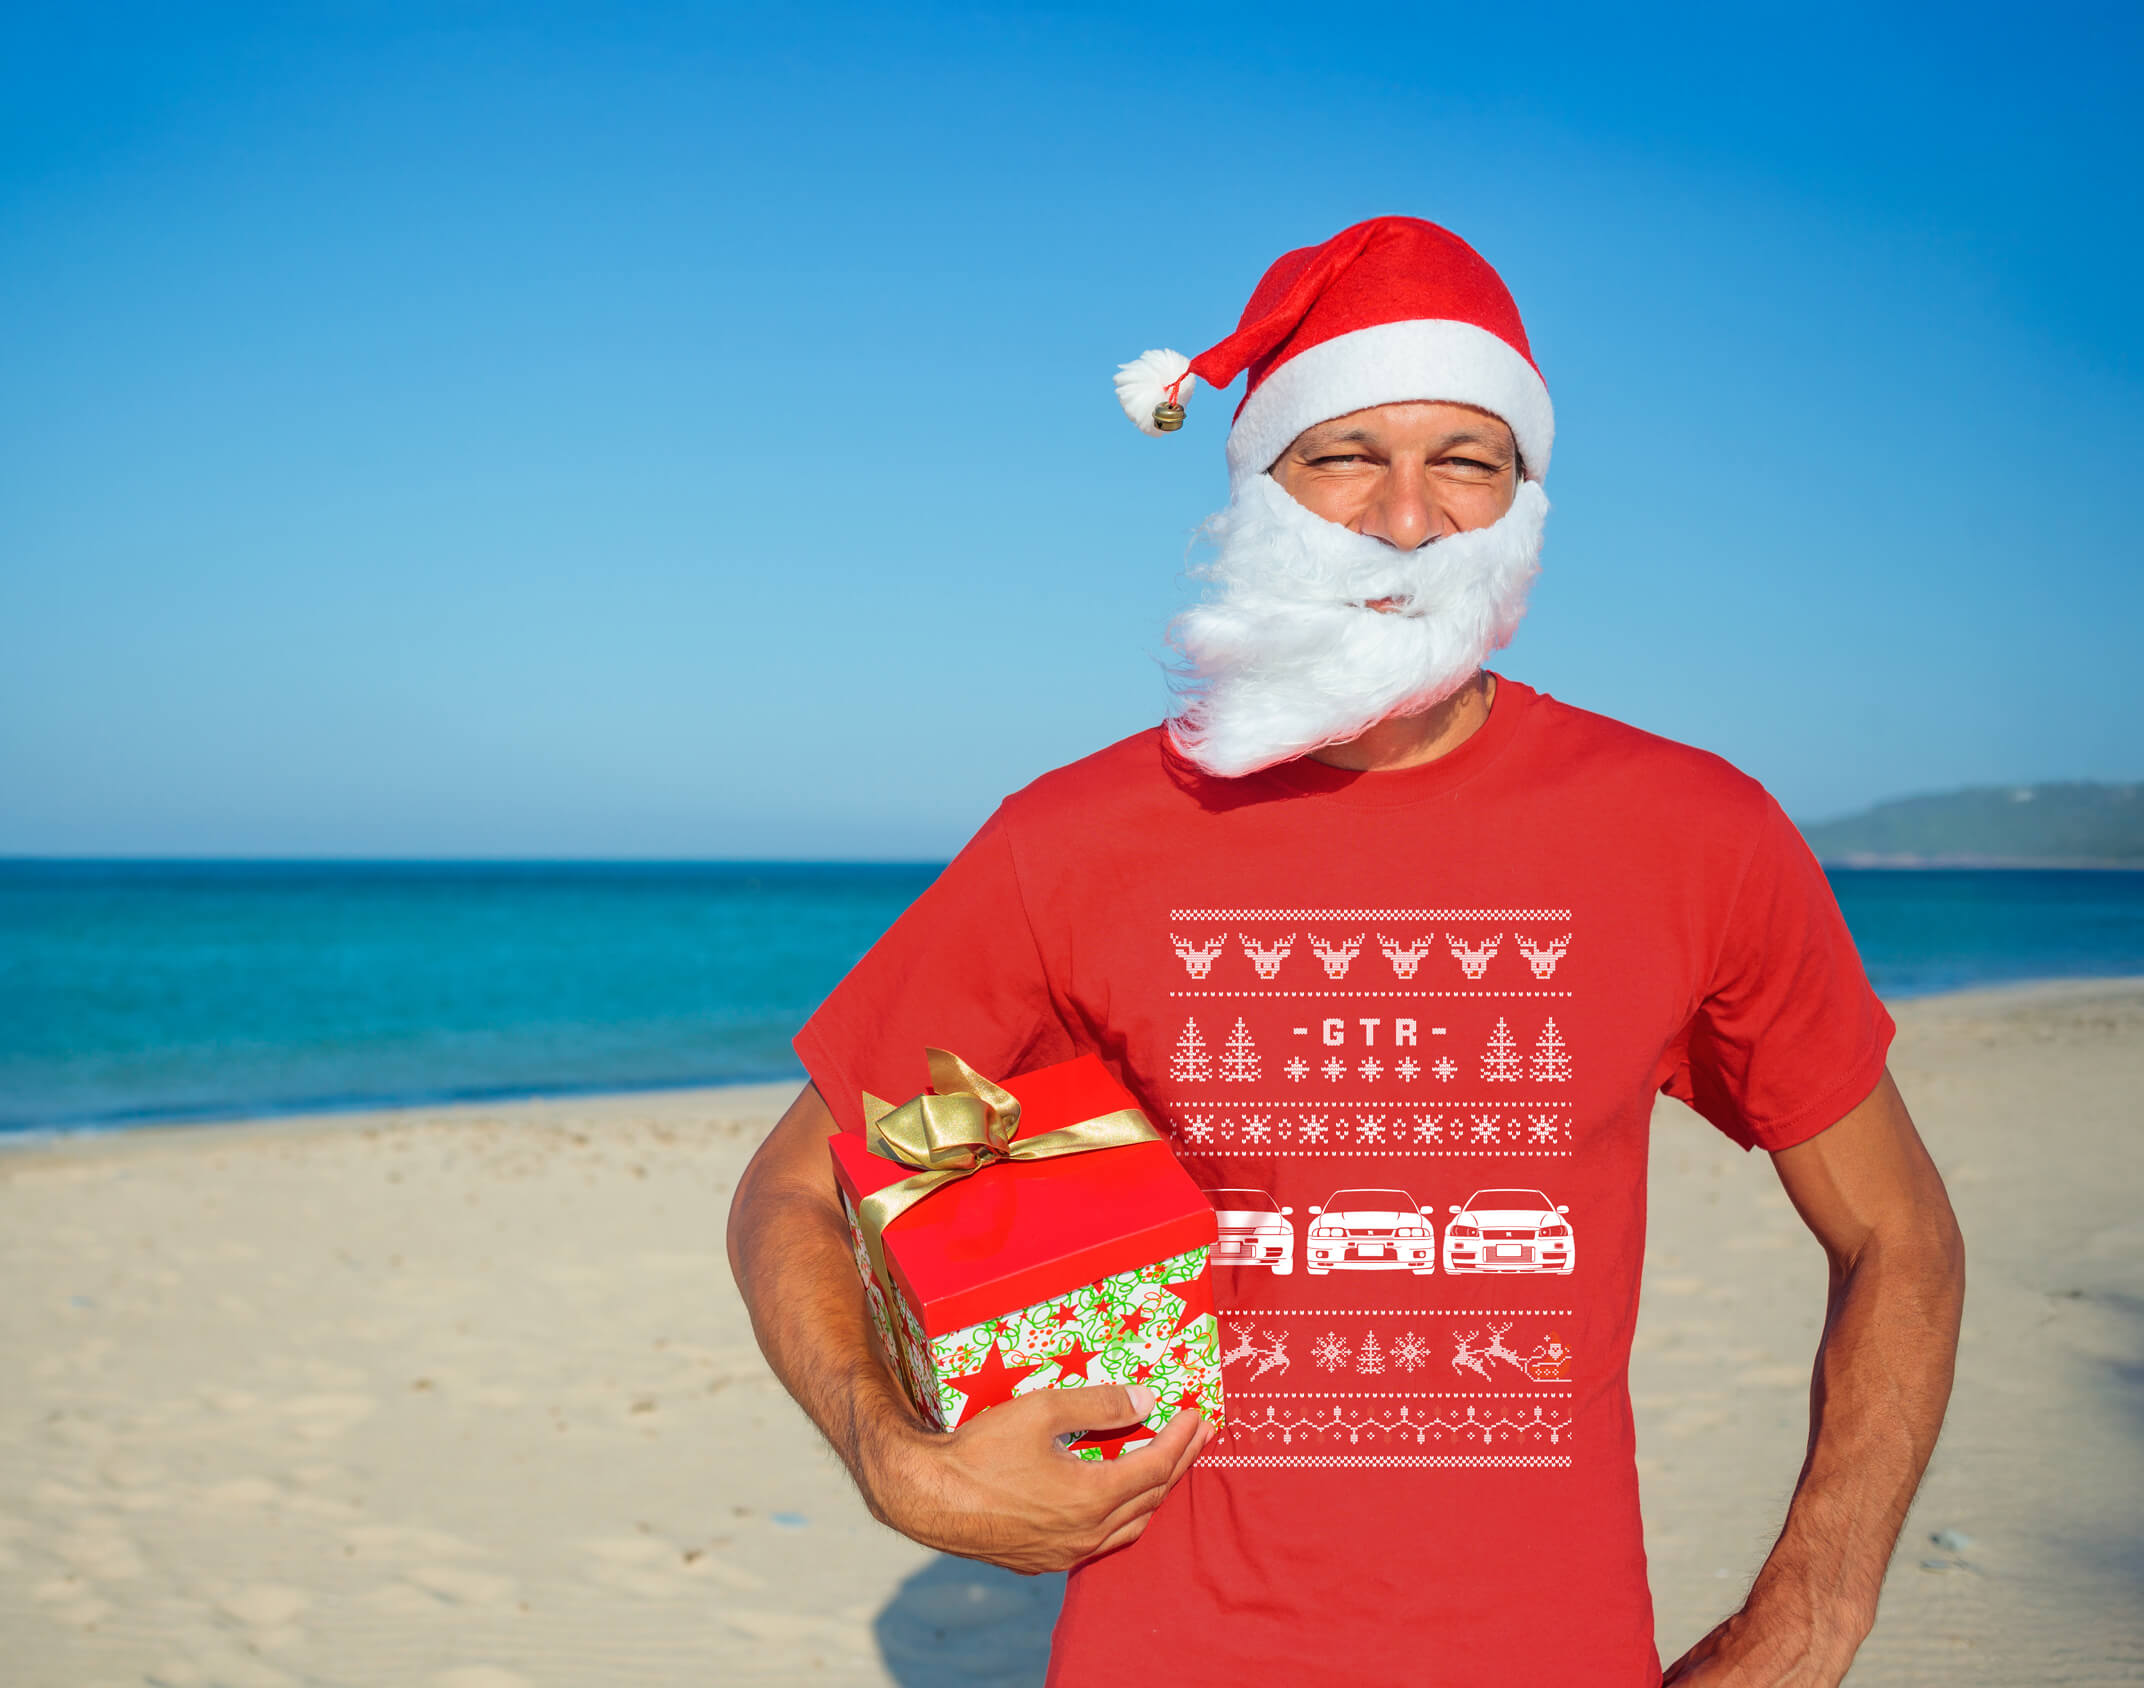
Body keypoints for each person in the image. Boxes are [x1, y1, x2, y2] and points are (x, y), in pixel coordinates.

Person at [728, 215, 1965, 1686]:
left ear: (1523, 501)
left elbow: (1899, 1236)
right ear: (1259, 490)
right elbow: (791, 1189)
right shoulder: (1075, 839)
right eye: (1345, 455)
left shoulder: (1696, 831)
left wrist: (1810, 1617)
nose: (1407, 516)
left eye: (1467, 460)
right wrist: (898, 1463)